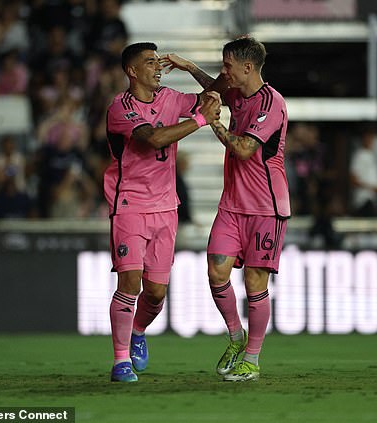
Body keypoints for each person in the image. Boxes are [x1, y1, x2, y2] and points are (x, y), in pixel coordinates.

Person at [161, 36, 290, 382]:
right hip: (232, 205)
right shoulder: (237, 93)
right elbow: (214, 88)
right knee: (217, 273)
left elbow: (246, 148)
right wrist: (189, 67)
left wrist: (212, 121)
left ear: (247, 68)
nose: (223, 71)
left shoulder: (271, 103)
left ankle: (252, 359)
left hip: (266, 208)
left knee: (253, 281)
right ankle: (236, 337)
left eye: (228, 65)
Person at [105, 42, 221, 382]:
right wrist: (200, 120)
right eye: (150, 62)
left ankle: (138, 330)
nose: (157, 67)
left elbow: (219, 91)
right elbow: (152, 139)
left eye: (159, 61)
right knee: (130, 281)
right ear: (132, 71)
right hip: (129, 204)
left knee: (155, 292)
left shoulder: (170, 97)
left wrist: (190, 67)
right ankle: (120, 360)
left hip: (166, 208)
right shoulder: (120, 108)